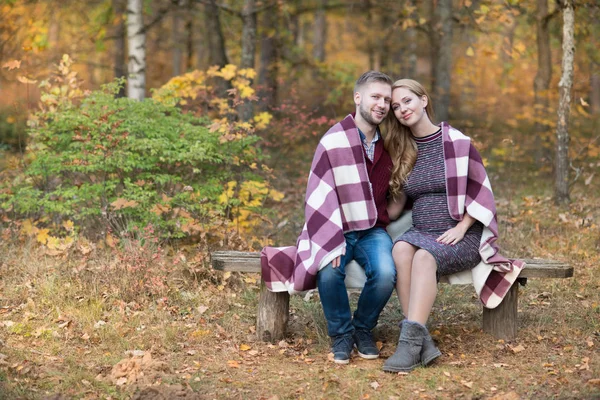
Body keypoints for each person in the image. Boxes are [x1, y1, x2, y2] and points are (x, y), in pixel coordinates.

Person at [381, 79, 525, 373]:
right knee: (400, 250)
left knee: (424, 257)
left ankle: (408, 345)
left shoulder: (457, 144)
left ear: (423, 100)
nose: (401, 109)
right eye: (395, 107)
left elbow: (481, 192)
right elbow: (395, 207)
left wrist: (462, 226)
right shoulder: (405, 149)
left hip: (460, 235)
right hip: (420, 231)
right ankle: (421, 341)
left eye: (407, 101)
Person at [260, 71, 397, 365]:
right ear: (358, 97)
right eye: (375, 96)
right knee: (329, 271)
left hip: (373, 230)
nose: (382, 104)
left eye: (387, 99)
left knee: (386, 274)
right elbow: (319, 195)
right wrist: (331, 241)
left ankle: (362, 328)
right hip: (339, 228)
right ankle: (341, 334)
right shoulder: (334, 141)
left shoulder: (390, 145)